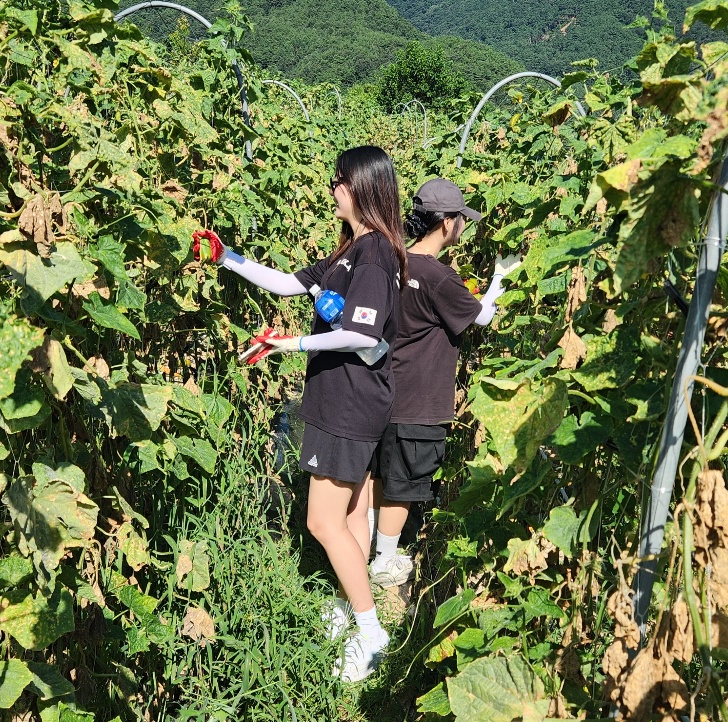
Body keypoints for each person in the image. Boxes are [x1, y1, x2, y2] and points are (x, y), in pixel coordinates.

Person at [197, 146, 406, 683]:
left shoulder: (375, 254)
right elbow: (291, 282)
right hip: (351, 399)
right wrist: (227, 258)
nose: (333, 188)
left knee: (320, 520)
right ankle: (352, 609)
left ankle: (369, 632)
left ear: (362, 187)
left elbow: (361, 332)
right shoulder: (349, 252)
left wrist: (286, 343)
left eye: (340, 180)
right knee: (352, 514)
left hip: (349, 402)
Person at [367, 178, 520, 586]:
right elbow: (482, 316)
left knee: (381, 473)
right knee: (405, 482)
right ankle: (383, 562)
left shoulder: (391, 261)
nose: (463, 228)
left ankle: (366, 546)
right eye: (462, 220)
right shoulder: (438, 277)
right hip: (419, 400)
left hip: (380, 389)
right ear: (447, 223)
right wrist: (500, 278)